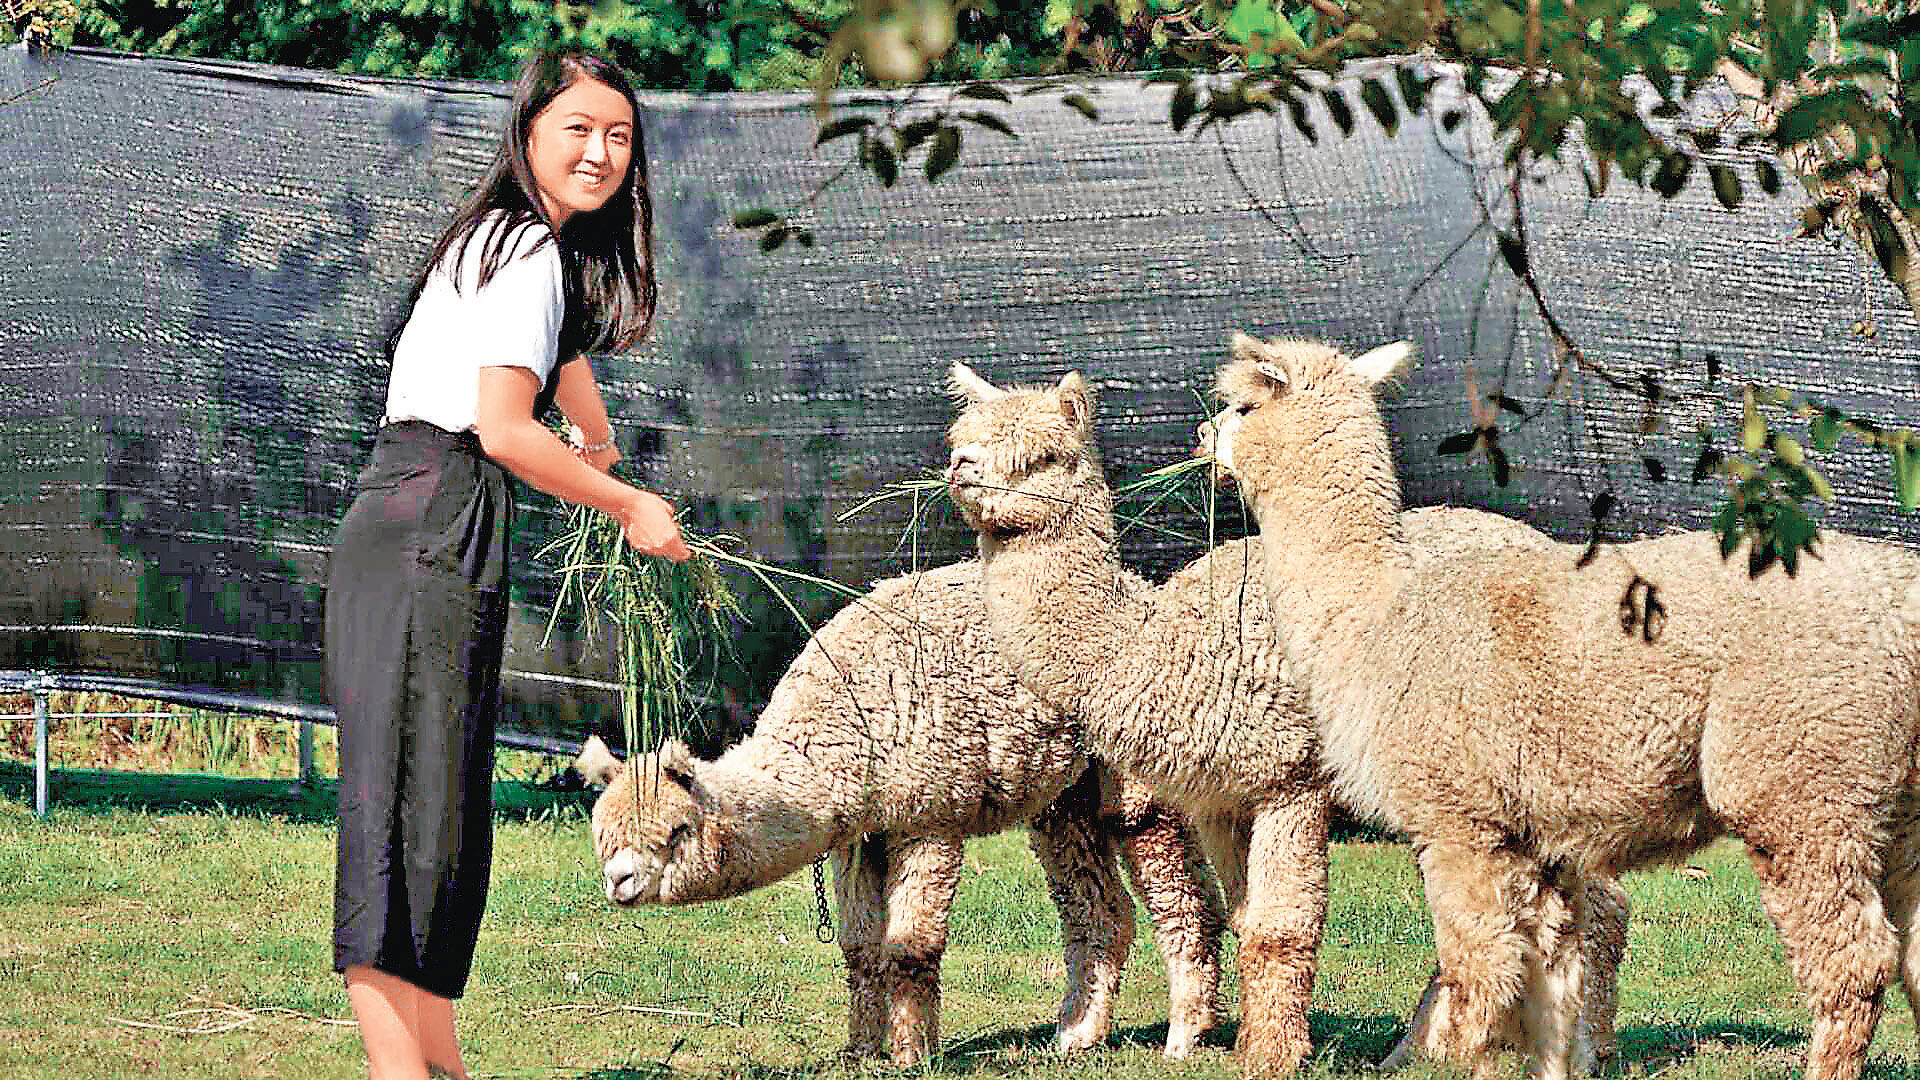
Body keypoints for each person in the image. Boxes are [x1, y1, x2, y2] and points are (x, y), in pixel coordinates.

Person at [324, 47, 690, 1080]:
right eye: (578, 127)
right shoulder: (524, 247)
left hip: (430, 521)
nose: (601, 151)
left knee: (437, 811)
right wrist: (628, 504)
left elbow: (556, 356)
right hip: (428, 516)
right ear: (529, 128)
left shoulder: (512, 244)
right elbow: (500, 425)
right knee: (403, 816)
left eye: (619, 135)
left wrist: (599, 437)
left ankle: (441, 1067)